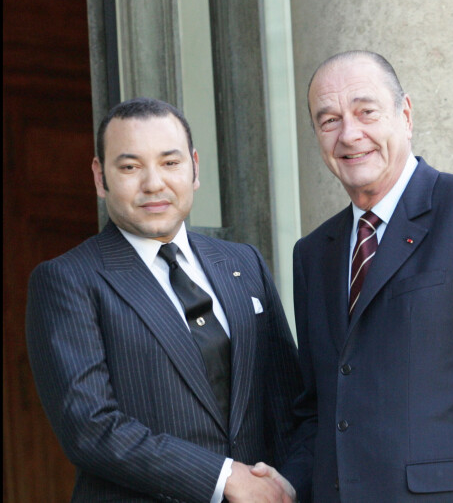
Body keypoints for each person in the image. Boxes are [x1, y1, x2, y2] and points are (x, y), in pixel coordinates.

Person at [277, 51, 453, 502]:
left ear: (405, 114)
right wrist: (285, 483)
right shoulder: (313, 254)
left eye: (366, 112)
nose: (350, 134)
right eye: (329, 120)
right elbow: (318, 409)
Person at [26, 97, 301, 503]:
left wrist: (290, 482)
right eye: (130, 166)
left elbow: (288, 402)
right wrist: (223, 478)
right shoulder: (67, 280)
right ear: (100, 177)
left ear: (194, 168)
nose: (153, 183)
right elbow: (90, 428)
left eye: (170, 163)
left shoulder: (243, 262)